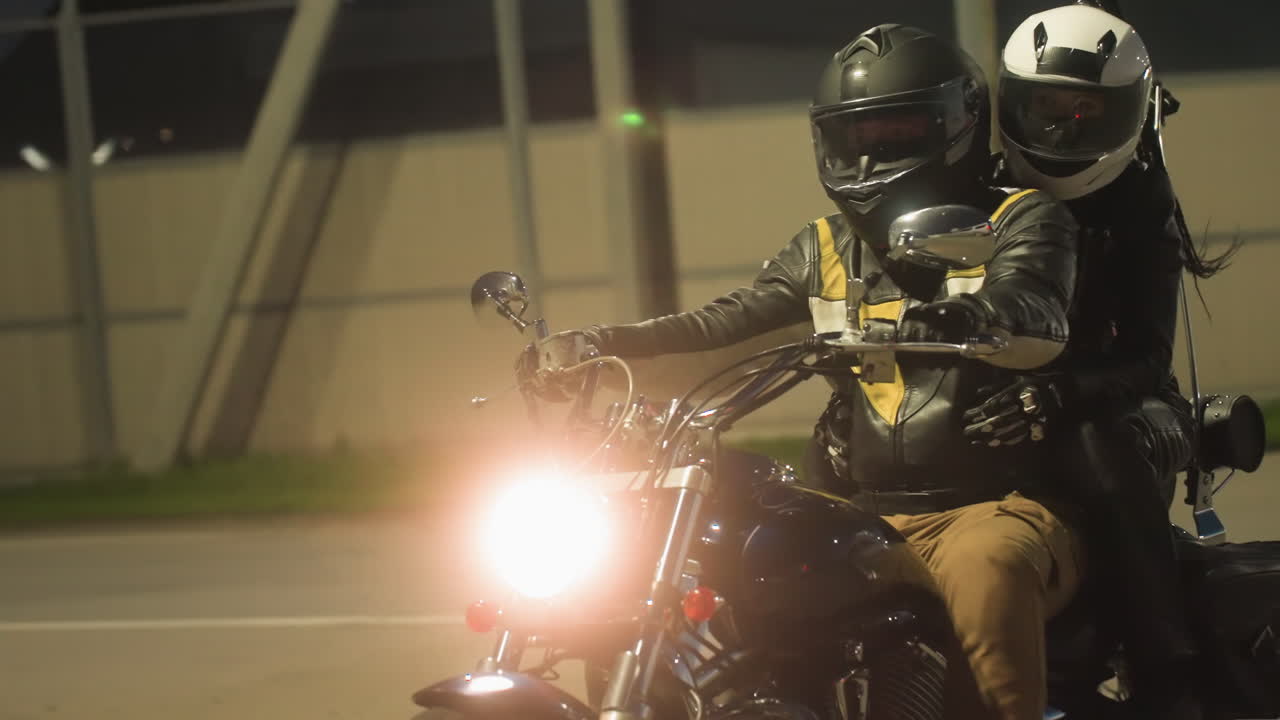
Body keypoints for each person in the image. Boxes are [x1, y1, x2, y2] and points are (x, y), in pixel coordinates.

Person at [534, 24, 1083, 720]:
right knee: (741, 558)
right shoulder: (824, 245)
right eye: (853, 137)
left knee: (988, 568)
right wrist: (597, 346)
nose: (868, 155)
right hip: (862, 514)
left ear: (959, 124)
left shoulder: (1020, 219)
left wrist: (962, 319)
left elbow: (1035, 305)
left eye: (895, 134)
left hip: (990, 508)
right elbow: (721, 327)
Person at [969, 4, 1237, 718]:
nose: (1063, 129)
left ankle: (1168, 671)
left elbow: (1148, 360)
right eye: (1047, 107)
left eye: (1088, 110)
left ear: (1130, 113)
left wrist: (1064, 396)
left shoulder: (1143, 203)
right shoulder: (984, 190)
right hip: (1020, 393)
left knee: (1097, 443)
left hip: (1128, 404)